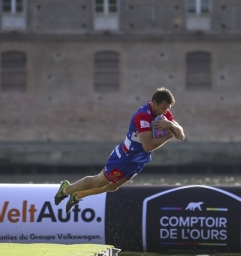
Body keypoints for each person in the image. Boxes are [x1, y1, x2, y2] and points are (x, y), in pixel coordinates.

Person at [54, 87, 185, 213]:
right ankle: (66, 190)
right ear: (154, 102)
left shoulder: (164, 112)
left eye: (168, 108)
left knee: (112, 187)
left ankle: (77, 195)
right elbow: (148, 146)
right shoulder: (142, 116)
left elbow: (181, 135)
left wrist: (171, 124)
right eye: (163, 108)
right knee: (99, 181)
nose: (165, 111)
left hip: (139, 160)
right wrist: (168, 136)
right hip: (124, 157)